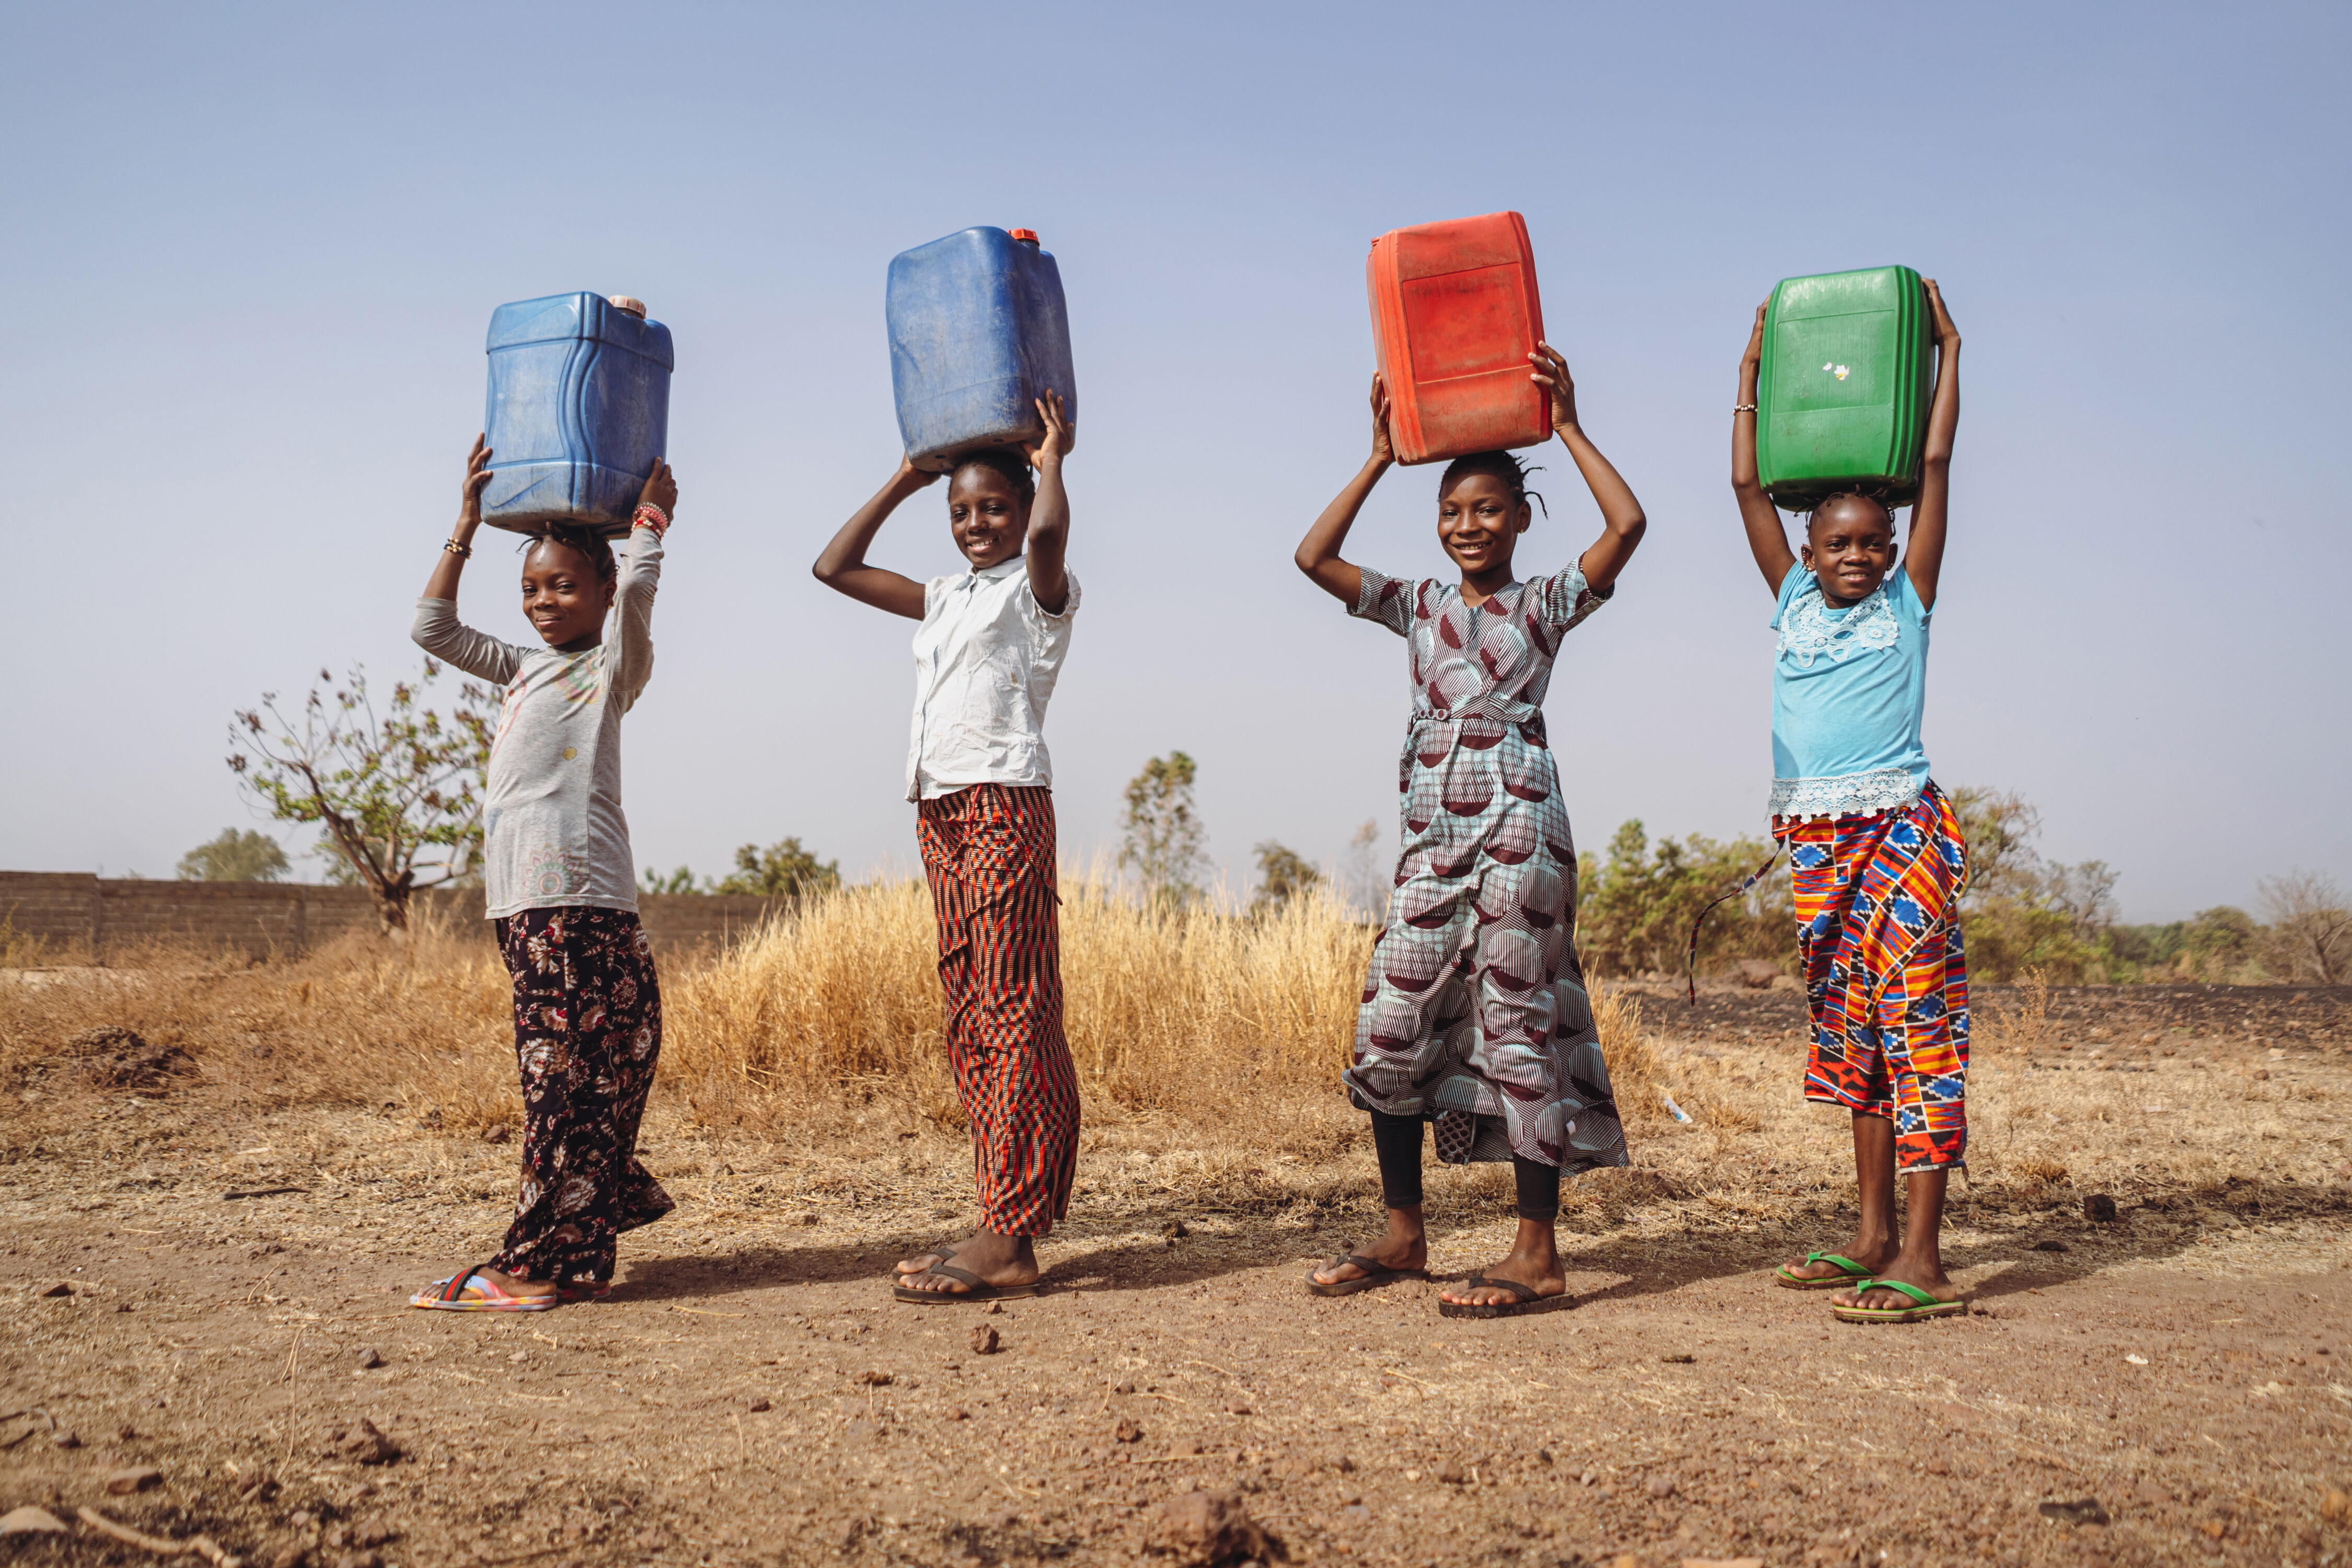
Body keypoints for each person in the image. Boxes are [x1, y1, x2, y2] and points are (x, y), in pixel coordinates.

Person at [1296, 345, 1645, 1318]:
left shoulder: (1544, 606)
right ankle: (1405, 1235)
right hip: (1431, 848)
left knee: (1520, 1028)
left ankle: (1538, 1253)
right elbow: (1313, 559)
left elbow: (1628, 524)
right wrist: (1375, 458)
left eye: (1488, 510)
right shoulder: (1418, 607)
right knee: (1389, 1024)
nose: (1468, 526)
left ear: (1522, 519)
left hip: (1521, 842)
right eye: (1453, 512)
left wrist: (1568, 426)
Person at [1734, 280, 1970, 1324]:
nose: (1861, 556)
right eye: (1841, 542)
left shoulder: (1907, 601)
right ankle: (1871, 1235)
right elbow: (1743, 487)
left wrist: (1947, 354)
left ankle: (1923, 1254)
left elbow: (1934, 466)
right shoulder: (1788, 596)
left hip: (1901, 832)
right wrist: (1750, 372)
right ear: (1810, 546)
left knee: (1917, 1027)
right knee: (1855, 1036)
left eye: (1876, 541)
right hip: (1818, 845)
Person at [813, 393, 1080, 1304]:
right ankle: (995, 1218)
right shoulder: (942, 597)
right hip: (942, 811)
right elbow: (833, 567)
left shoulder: (1038, 591)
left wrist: (1051, 465)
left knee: (1011, 1012)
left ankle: (1012, 1237)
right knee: (971, 1014)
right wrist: (904, 476)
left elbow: (1047, 541)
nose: (977, 523)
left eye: (992, 508)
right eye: (961, 511)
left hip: (1004, 804)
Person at [407, 436, 678, 1311]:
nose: (544, 601)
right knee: (575, 1073)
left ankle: (532, 1267)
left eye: (564, 584)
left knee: (579, 1076)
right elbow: (432, 628)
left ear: (598, 591)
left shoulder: (611, 668)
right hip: (526, 907)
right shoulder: (521, 668)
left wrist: (650, 520)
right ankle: (578, 1233)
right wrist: (465, 526)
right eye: (531, 588)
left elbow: (637, 587)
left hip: (580, 901)